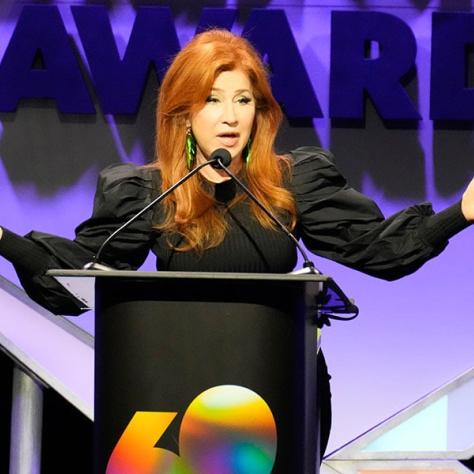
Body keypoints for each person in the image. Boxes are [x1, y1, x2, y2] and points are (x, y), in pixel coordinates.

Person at [0, 29, 473, 459]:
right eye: (212, 99)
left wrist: (462, 213)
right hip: (169, 391)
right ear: (183, 113)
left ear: (260, 111)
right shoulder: (146, 194)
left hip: (278, 391)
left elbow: (378, 250)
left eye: (244, 100)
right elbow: (74, 278)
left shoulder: (293, 183)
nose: (230, 118)